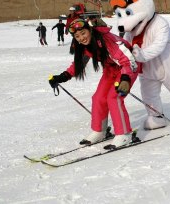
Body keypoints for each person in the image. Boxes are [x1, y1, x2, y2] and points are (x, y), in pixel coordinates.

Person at [108, 0, 170, 130]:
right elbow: (126, 46)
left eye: (129, 13)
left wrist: (141, 55)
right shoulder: (132, 30)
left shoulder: (160, 23)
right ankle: (156, 116)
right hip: (147, 68)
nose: (124, 22)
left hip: (169, 64)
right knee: (148, 93)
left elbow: (158, 45)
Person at [48, 19, 139, 149]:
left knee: (114, 97)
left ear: (90, 30)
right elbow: (78, 65)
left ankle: (124, 134)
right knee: (98, 98)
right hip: (111, 69)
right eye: (77, 36)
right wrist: (62, 77)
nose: (81, 38)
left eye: (83, 33)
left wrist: (125, 79)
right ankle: (99, 131)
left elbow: (128, 60)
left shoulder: (107, 40)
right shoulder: (84, 46)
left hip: (128, 67)